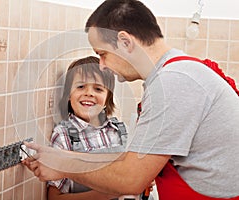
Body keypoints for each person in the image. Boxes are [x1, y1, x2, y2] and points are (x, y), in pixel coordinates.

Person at [24, 0, 239, 199]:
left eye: (102, 53)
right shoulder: (176, 72)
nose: (102, 65)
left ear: (125, 42)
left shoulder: (174, 82)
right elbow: (130, 158)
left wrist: (64, 166)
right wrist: (60, 157)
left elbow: (132, 180)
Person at [24, 56, 136, 200]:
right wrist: (108, 194)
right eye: (81, 86)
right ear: (69, 96)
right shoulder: (64, 136)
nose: (89, 93)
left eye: (98, 88)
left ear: (108, 98)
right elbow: (54, 197)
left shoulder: (121, 131)